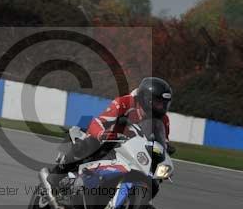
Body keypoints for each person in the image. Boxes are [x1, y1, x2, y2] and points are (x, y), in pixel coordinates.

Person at [47, 77, 175, 186]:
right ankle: (57, 174)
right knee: (86, 144)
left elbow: (163, 141)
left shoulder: (163, 120)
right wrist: (102, 134)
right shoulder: (125, 103)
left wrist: (166, 149)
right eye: (158, 103)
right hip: (109, 140)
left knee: (154, 177)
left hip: (132, 150)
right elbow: (98, 122)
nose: (162, 107)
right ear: (146, 98)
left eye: (165, 104)